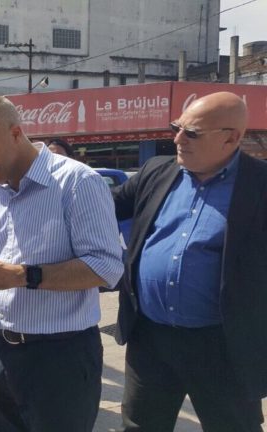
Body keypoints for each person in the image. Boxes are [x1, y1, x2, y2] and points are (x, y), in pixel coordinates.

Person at [0, 95, 123, 431]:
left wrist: (24, 275)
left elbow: (106, 267)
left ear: (16, 133)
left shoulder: (77, 183)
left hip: (60, 357)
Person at [113, 92, 267, 431]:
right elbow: (99, 210)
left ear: (232, 137)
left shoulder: (260, 184)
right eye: (176, 127)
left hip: (222, 347)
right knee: (140, 426)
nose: (177, 139)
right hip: (150, 339)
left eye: (192, 132)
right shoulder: (157, 172)